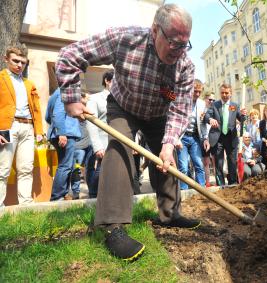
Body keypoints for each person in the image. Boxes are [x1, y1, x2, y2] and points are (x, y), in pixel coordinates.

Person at [56, 4, 198, 261]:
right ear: (156, 30)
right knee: (119, 151)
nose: (179, 52)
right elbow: (70, 55)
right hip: (124, 105)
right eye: (175, 43)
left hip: (158, 113)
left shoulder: (184, 68)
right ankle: (113, 227)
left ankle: (170, 214)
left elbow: (180, 109)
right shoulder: (124, 38)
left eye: (185, 45)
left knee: (167, 160)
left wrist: (168, 144)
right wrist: (71, 97)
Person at [0, 45, 44, 206]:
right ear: (6, 59)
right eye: (15, 61)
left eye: (23, 62)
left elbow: (37, 109)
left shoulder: (29, 83)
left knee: (26, 168)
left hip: (27, 127)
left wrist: (39, 131)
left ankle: (25, 205)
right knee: (2, 168)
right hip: (6, 128)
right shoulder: (1, 78)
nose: (19, 65)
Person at [204, 83, 247, 186]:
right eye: (222, 93)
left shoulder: (234, 106)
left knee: (232, 162)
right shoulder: (215, 105)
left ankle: (233, 184)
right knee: (219, 163)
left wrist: (243, 115)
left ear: (230, 93)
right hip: (217, 138)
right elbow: (206, 116)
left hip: (231, 137)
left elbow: (241, 119)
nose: (224, 95)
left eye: (226, 93)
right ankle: (221, 185)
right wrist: (210, 119)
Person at [45, 88, 81, 201]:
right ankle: (57, 197)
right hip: (66, 134)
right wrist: (61, 132)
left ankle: (63, 194)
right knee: (65, 166)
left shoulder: (57, 92)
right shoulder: (65, 91)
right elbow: (57, 113)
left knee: (67, 165)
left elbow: (48, 116)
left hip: (63, 133)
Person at [176, 79, 209, 190]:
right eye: (195, 91)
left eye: (199, 92)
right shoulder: (181, 101)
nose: (198, 94)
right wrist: (176, 138)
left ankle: (202, 190)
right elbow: (174, 120)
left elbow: (203, 123)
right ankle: (184, 192)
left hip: (195, 138)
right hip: (182, 137)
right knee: (184, 167)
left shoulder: (202, 104)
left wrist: (205, 138)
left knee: (199, 165)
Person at [85, 70, 113, 198]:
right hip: (103, 144)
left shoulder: (122, 100)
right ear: (107, 81)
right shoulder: (95, 98)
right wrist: (97, 146)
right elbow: (91, 123)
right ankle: (93, 198)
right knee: (100, 170)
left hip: (120, 143)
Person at [70, 93, 92, 200]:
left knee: (90, 168)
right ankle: (76, 193)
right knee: (77, 169)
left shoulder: (90, 109)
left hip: (90, 145)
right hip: (78, 146)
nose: (87, 99)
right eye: (85, 97)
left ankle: (92, 191)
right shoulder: (73, 111)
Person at [202, 92, 215, 187]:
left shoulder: (215, 110)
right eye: (210, 99)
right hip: (205, 139)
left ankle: (217, 181)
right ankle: (207, 182)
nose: (212, 101)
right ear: (205, 99)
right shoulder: (202, 110)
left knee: (216, 161)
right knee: (206, 162)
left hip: (214, 138)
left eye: (213, 100)